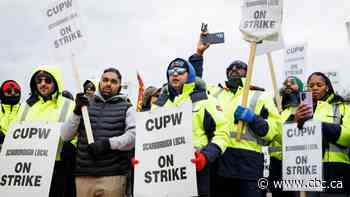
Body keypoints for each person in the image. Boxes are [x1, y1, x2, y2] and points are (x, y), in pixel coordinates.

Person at [190, 33, 282, 197]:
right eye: (230, 68)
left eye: (239, 67)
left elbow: (273, 131)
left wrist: (254, 119)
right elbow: (192, 84)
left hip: (249, 165)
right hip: (220, 162)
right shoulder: (214, 92)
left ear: (248, 72)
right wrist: (199, 54)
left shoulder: (261, 96)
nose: (234, 70)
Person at [152, 58, 230, 196]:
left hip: (197, 169)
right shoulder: (159, 104)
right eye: (171, 72)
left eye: (181, 71)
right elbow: (151, 138)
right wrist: (144, 161)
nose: (175, 74)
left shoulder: (205, 100)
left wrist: (206, 156)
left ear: (190, 75)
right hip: (165, 172)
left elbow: (222, 133)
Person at [61, 67, 136, 197]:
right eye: (105, 80)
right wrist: (76, 112)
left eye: (113, 81)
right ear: (100, 82)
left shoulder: (127, 108)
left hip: (113, 176)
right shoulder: (84, 105)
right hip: (84, 176)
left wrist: (108, 144)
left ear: (119, 86)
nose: (108, 84)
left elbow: (133, 137)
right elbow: (65, 135)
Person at [15, 65, 75, 197]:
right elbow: (16, 132)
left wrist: (72, 146)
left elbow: (76, 131)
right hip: (29, 166)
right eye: (39, 80)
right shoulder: (25, 106)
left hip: (58, 166)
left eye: (47, 80)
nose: (43, 84)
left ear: (56, 82)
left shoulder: (69, 104)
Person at [293, 72, 350, 197]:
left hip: (335, 171)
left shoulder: (343, 107)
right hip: (307, 170)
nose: (314, 88)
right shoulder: (299, 110)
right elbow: (288, 140)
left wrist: (316, 125)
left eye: (319, 85)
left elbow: (347, 136)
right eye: (311, 85)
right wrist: (294, 121)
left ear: (327, 87)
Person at [268, 76, 304, 197]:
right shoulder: (278, 109)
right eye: (285, 83)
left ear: (300, 87)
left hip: (296, 162)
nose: (288, 85)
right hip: (276, 163)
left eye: (292, 83)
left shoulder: (303, 107)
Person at [0, 80, 21, 144]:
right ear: (1, 93)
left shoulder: (25, 109)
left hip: (19, 149)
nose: (13, 93)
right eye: (8, 91)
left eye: (16, 91)